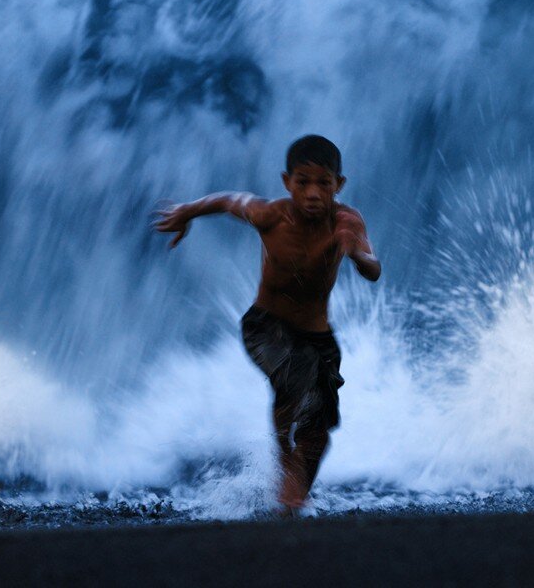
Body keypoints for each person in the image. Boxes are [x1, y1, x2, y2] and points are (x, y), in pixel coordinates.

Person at [154, 134, 381, 514]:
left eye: (323, 184)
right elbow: (228, 201)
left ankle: (292, 500)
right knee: (296, 376)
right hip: (265, 327)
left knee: (319, 424)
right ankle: (282, 452)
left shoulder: (346, 222)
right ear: (286, 182)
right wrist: (187, 212)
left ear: (338, 185)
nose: (312, 193)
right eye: (302, 182)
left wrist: (357, 254)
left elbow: (373, 268)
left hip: (318, 337)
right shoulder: (271, 215)